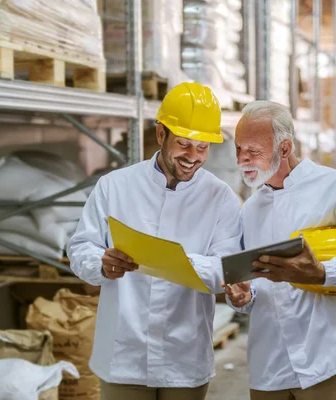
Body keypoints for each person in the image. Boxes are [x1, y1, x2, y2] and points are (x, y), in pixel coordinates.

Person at [67, 82, 242, 400]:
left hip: (184, 356)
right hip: (125, 353)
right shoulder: (115, 187)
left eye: (202, 147)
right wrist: (102, 264)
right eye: (184, 144)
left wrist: (179, 263)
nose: (193, 157)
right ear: (160, 134)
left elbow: (227, 266)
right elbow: (81, 247)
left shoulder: (221, 198)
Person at [224, 100, 336, 400]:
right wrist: (244, 296)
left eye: (253, 151)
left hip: (329, 361)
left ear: (284, 149)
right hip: (270, 367)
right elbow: (257, 284)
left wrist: (324, 273)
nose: (242, 159)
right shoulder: (251, 210)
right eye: (239, 149)